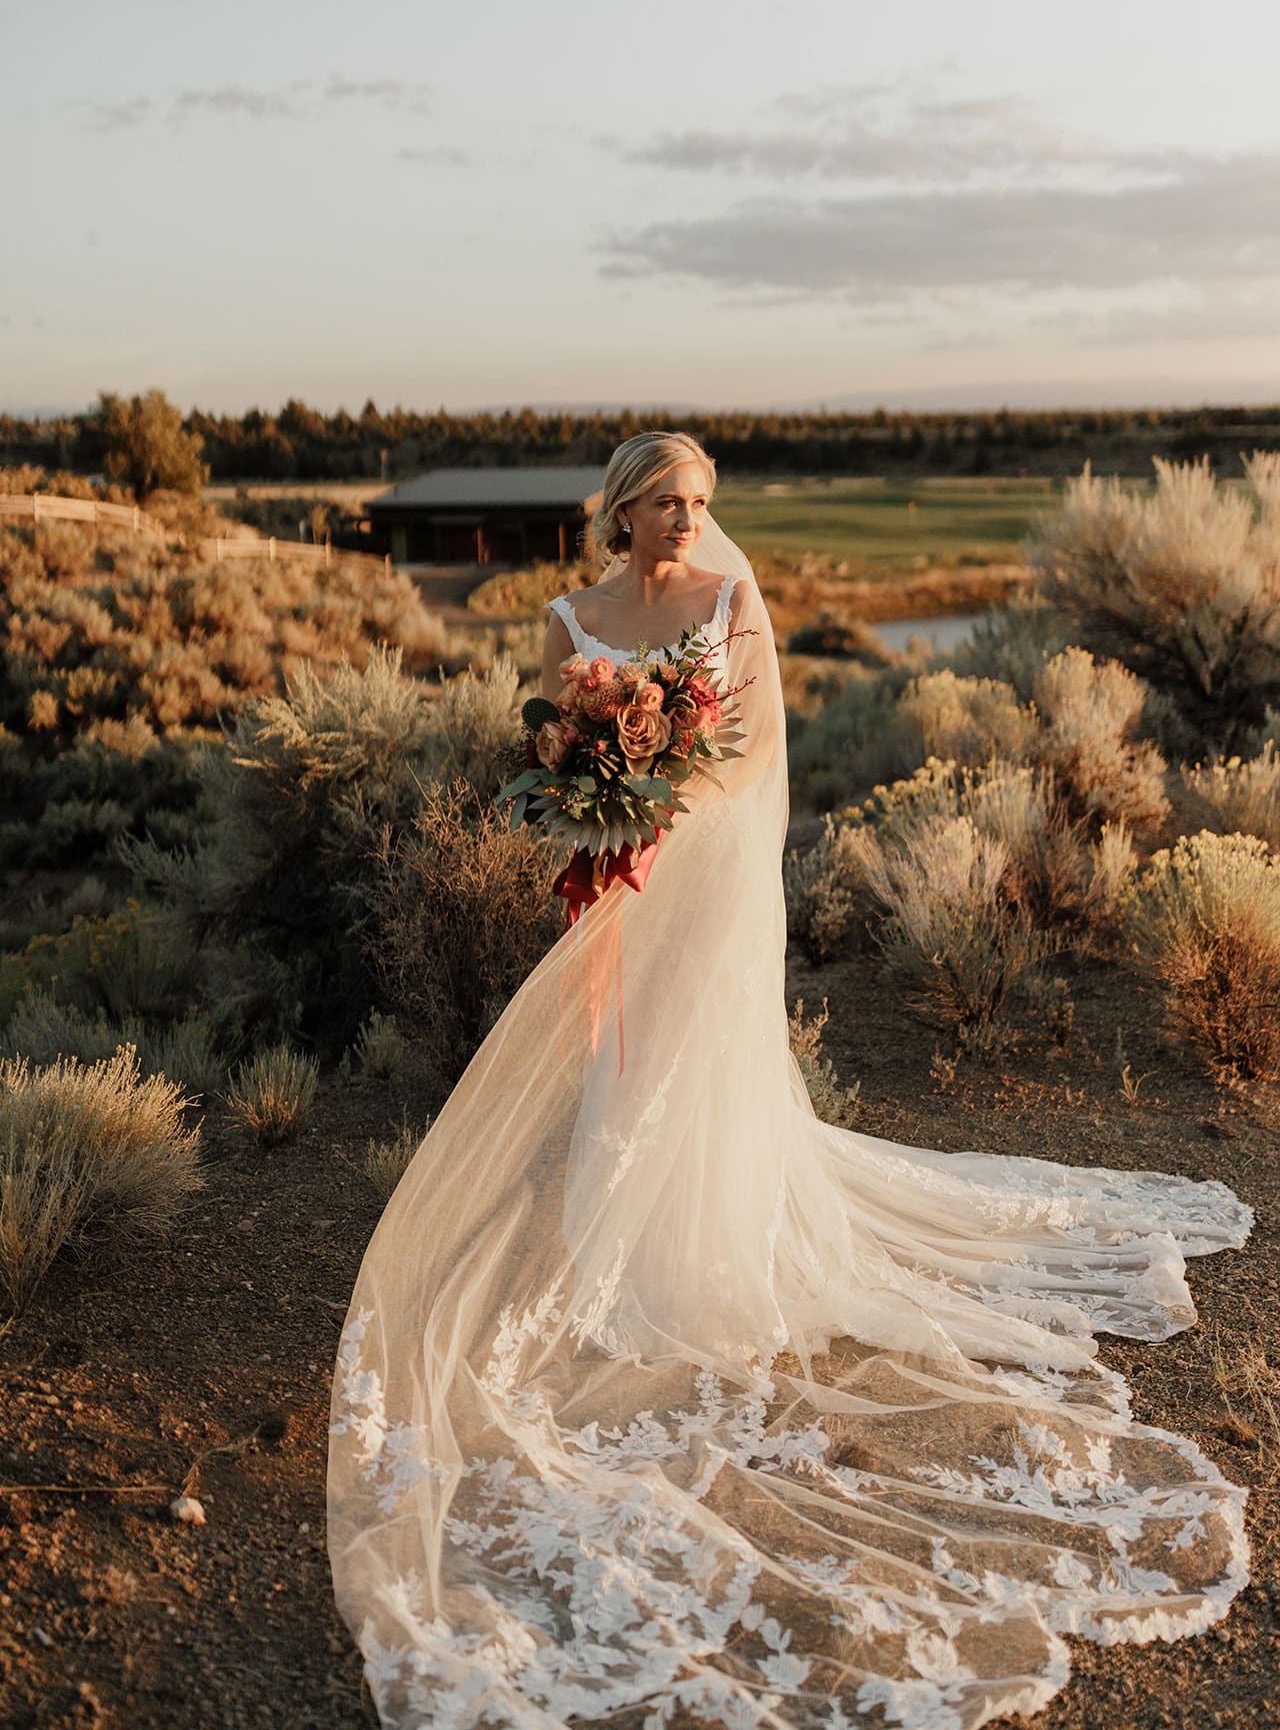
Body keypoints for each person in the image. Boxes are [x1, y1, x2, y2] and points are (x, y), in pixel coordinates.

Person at [328, 431, 1252, 1730]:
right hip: (618, 879)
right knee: (623, 1055)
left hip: (708, 878)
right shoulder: (570, 618)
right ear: (621, 513)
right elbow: (545, 751)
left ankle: (704, 1242)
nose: (685, 524)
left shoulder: (729, 599)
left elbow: (757, 748)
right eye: (663, 504)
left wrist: (673, 814)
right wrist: (599, 808)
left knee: (700, 1054)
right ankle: (616, 1230)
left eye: (700, 503)